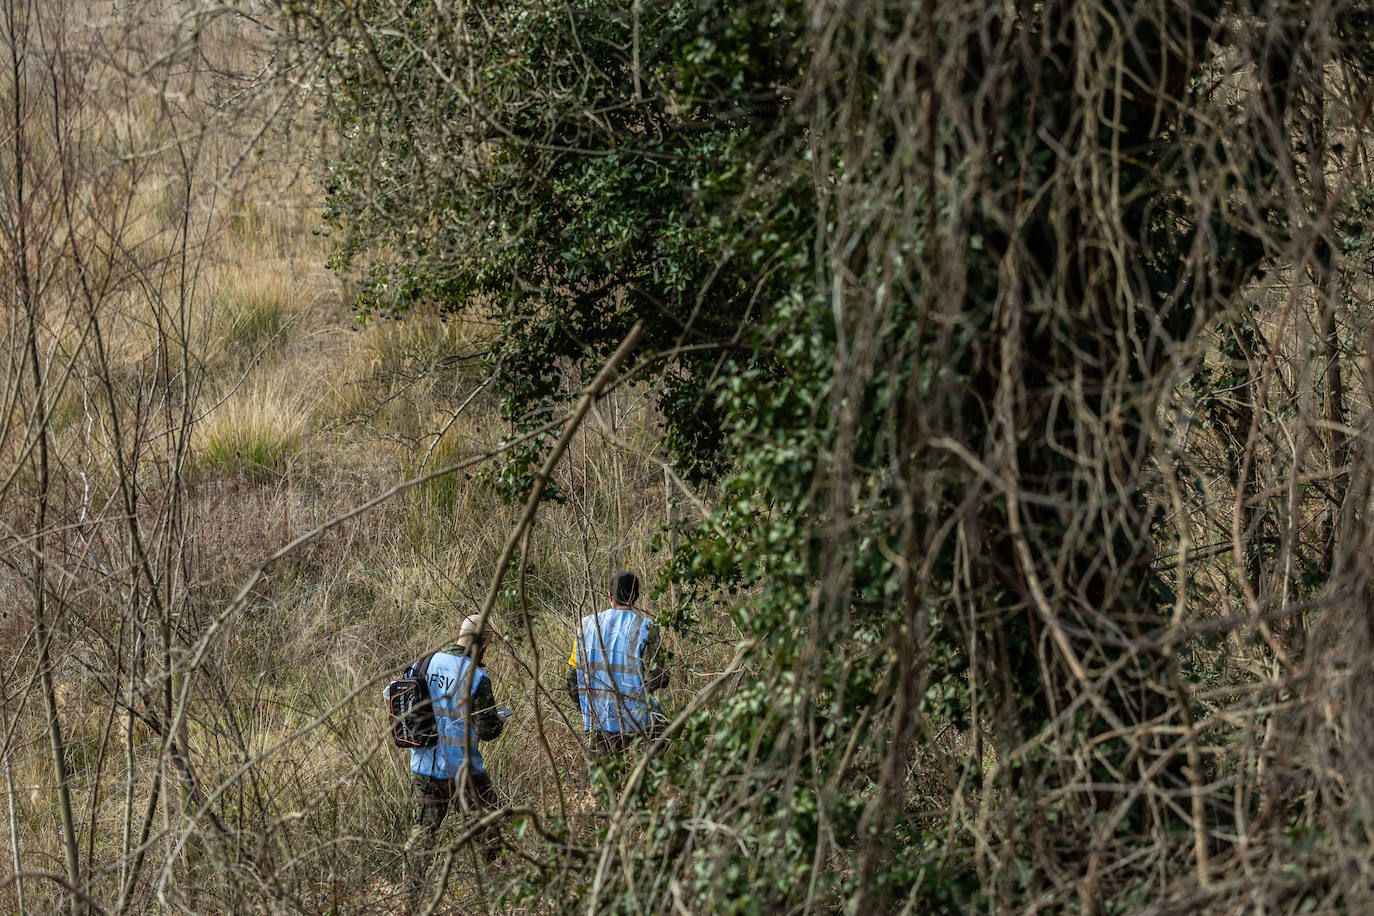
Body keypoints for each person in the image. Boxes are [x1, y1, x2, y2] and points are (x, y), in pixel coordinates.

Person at [402, 613, 507, 909]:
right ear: (483, 641)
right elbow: (488, 731)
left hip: (424, 769)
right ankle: (503, 896)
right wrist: (500, 719)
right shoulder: (477, 677)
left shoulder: (422, 664)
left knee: (422, 841)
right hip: (466, 772)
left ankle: (409, 903)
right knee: (491, 831)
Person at [566, 571, 670, 758]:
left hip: (598, 721)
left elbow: (572, 680)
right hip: (638, 722)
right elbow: (659, 678)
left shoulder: (586, 625)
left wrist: (587, 712)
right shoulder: (647, 628)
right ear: (636, 596)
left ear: (610, 595)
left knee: (606, 782)